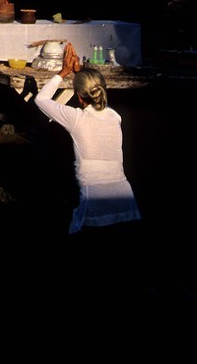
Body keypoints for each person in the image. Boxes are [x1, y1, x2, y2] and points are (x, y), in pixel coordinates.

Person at [35, 42, 141, 234]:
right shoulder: (114, 116)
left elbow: (41, 99)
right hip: (124, 198)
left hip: (94, 198)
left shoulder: (76, 118)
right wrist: (80, 72)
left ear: (78, 97)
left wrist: (64, 72)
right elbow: (91, 93)